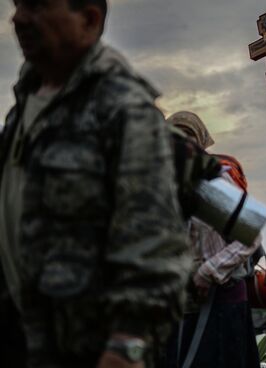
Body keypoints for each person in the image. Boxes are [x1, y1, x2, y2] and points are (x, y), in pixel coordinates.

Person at [0, 1, 190, 367]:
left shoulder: (123, 108)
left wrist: (126, 349)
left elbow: (156, 250)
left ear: (89, 20)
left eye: (37, 6)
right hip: (21, 340)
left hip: (88, 352)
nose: (19, 18)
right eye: (18, 4)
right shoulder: (24, 105)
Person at [165, 112, 261, 368]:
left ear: (201, 142)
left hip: (222, 304)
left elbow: (250, 235)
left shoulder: (212, 179)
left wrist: (208, 271)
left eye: (189, 136)